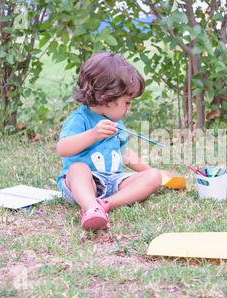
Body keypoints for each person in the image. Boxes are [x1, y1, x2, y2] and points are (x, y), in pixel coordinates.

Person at [56, 52, 165, 231]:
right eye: (127, 102)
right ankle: (90, 207)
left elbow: (124, 153)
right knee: (77, 170)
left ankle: (105, 204)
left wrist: (152, 171)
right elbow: (62, 148)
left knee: (153, 176)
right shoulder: (80, 119)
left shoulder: (116, 122)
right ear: (106, 97)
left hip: (113, 182)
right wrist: (93, 134)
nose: (130, 107)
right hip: (83, 184)